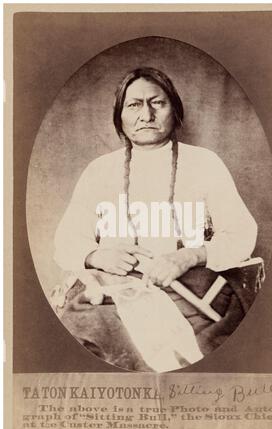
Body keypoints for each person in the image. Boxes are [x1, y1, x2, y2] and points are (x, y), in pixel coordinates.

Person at [53, 67, 259, 371]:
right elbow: (66, 239)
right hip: (115, 296)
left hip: (192, 296)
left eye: (157, 103)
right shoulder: (99, 170)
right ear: (120, 116)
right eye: (134, 105)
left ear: (174, 110)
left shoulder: (205, 163)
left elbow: (242, 233)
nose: (146, 115)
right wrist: (97, 254)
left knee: (200, 359)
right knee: (83, 338)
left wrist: (188, 256)